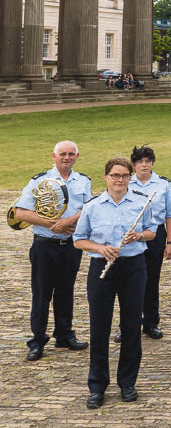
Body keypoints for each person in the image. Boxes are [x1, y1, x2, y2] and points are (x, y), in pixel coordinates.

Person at [72, 157, 158, 409]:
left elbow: (152, 231)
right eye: (115, 175)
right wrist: (100, 248)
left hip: (133, 267)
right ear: (106, 177)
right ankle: (97, 385)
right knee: (100, 326)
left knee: (132, 325)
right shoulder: (93, 206)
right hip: (102, 267)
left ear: (130, 178)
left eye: (124, 176)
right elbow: (79, 240)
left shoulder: (142, 203)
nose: (120, 180)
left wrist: (139, 235)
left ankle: (127, 383)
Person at [13, 140, 91, 361]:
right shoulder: (40, 180)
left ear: (76, 156)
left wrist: (69, 221)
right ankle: (37, 341)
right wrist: (52, 224)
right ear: (53, 156)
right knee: (41, 294)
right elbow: (20, 212)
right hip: (45, 246)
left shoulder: (83, 181)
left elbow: (88, 208)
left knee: (66, 292)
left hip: (70, 246)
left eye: (70, 154)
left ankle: (64, 335)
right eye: (62, 154)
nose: (66, 157)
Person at [116, 146, 171, 344]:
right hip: (131, 234)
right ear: (134, 164)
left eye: (147, 161)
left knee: (151, 280)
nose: (144, 165)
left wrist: (170, 242)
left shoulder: (163, 184)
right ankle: (126, 326)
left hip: (155, 235)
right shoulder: (125, 182)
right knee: (127, 282)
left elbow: (169, 215)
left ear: (152, 163)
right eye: (140, 161)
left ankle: (150, 323)